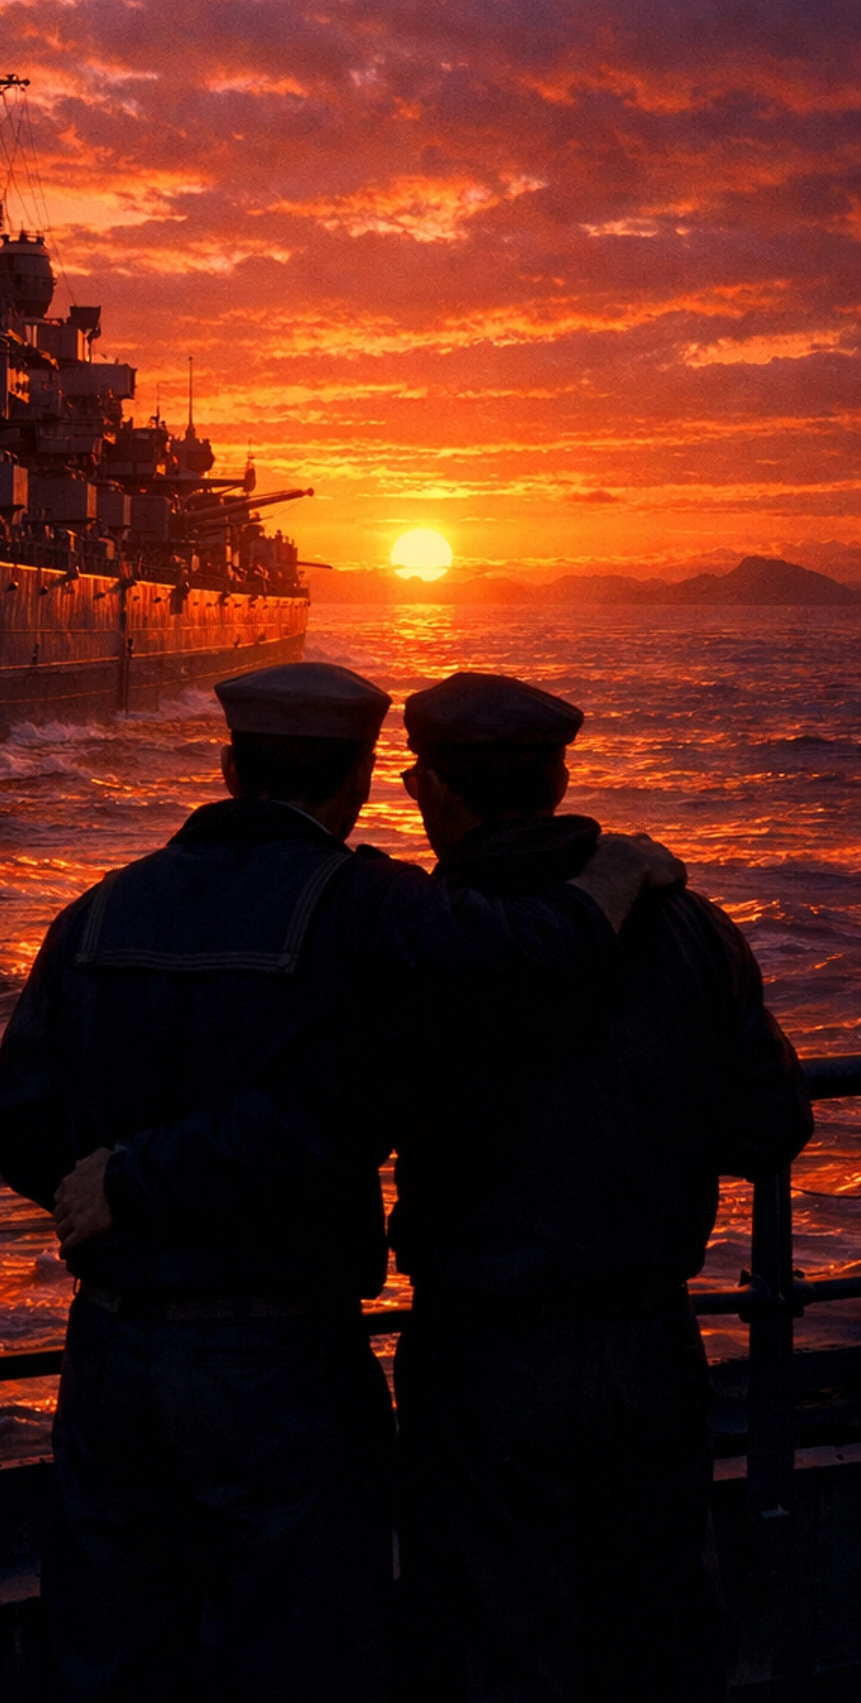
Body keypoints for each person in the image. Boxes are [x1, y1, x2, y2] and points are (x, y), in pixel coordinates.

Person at [0, 660, 680, 1703]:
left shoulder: (99, 909)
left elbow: (15, 1119)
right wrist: (617, 876)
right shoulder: (366, 904)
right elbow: (534, 957)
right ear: (358, 779)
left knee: (111, 1649)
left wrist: (103, 1197)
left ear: (227, 766)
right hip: (279, 1353)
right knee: (297, 1648)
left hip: (115, 1346)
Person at [387, 670, 814, 1703]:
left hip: (483, 1347)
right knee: (656, 1626)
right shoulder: (691, 926)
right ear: (560, 776)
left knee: (492, 1637)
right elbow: (771, 1126)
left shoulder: (424, 935)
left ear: (438, 794)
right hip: (648, 1342)